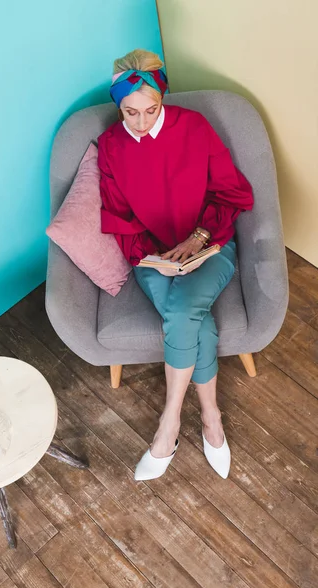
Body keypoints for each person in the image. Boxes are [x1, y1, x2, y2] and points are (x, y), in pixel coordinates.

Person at [97, 49, 254, 481]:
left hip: (211, 245)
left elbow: (234, 193)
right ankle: (210, 417)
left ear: (162, 98)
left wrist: (199, 238)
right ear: (118, 106)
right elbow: (118, 218)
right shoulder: (110, 146)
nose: (142, 122)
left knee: (182, 311)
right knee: (191, 317)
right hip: (152, 258)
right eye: (130, 112)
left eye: (151, 110)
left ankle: (169, 423)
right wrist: (152, 260)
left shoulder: (195, 128)